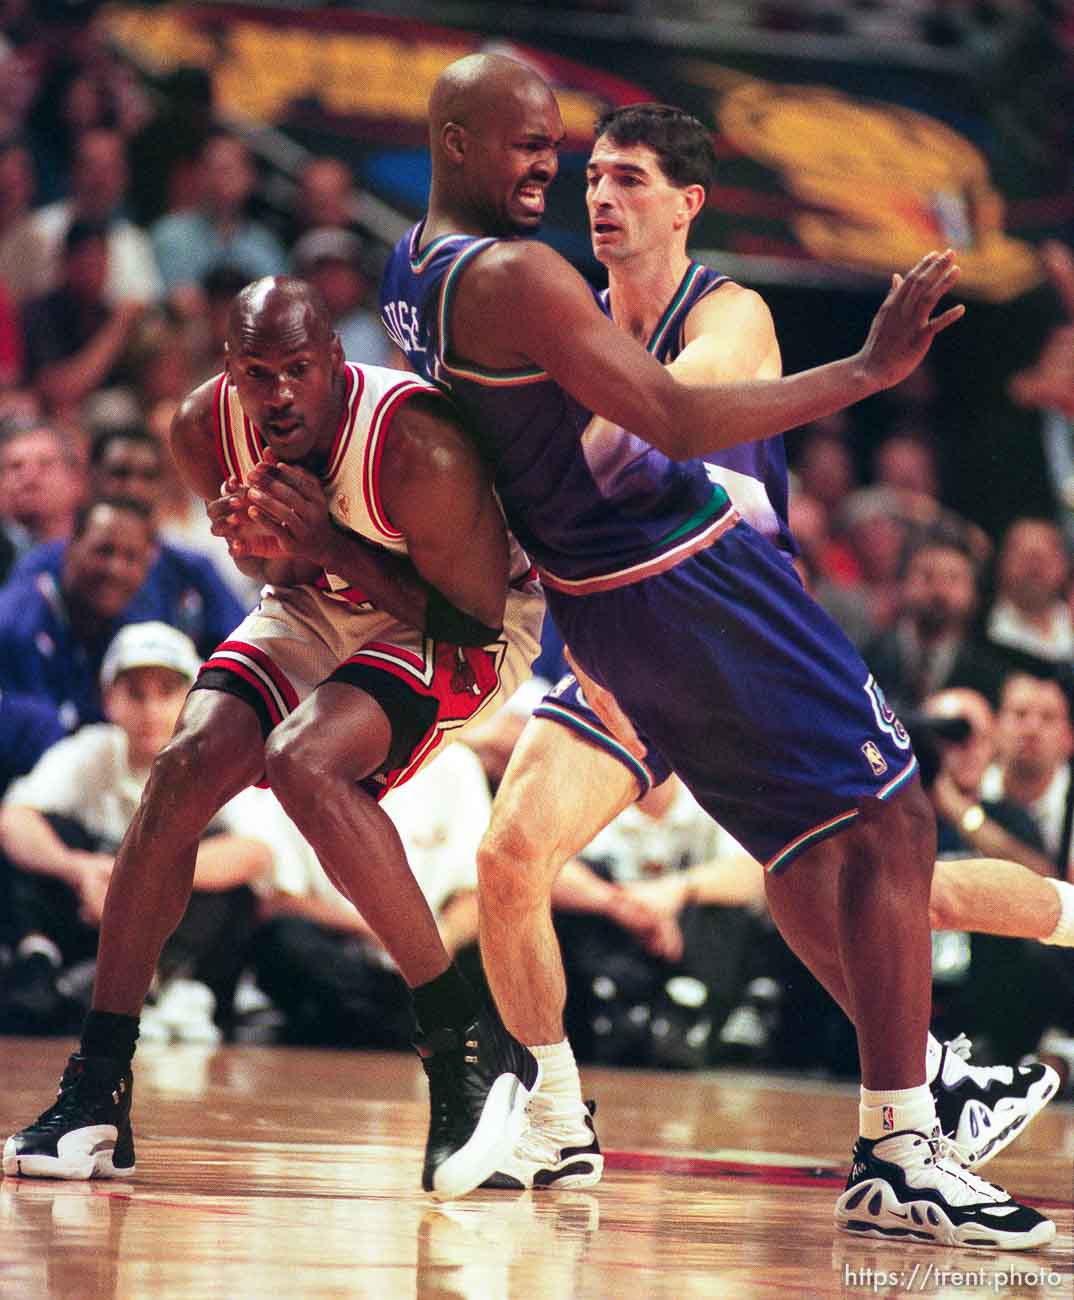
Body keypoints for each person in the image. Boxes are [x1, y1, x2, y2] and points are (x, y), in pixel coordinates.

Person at [380, 60, 1053, 1247]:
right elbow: (636, 441)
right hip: (657, 617)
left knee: (844, 872)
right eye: (588, 174)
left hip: (696, 612)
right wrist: (865, 374)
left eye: (624, 178)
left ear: (687, 202)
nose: (595, 194)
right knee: (524, 854)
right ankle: (573, 1109)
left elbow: (645, 437)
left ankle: (938, 1067)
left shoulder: (727, 311)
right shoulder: (552, 301)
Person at [3, 277, 544, 1199]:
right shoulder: (201, 428)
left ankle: (467, 1038)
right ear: (232, 372)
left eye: (299, 370)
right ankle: (99, 1083)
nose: (281, 393)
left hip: (454, 624)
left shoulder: (416, 447)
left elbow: (470, 615)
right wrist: (267, 545)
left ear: (335, 363)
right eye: (261, 374)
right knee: (178, 773)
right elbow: (274, 570)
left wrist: (328, 550)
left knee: (304, 760)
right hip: (315, 600)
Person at [0, 622, 272, 1036]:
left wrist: (132, 877)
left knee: (230, 882)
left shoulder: (215, 759)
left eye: (166, 692)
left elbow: (255, 851)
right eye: (136, 693)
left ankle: (168, 982)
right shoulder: (91, 750)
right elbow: (13, 819)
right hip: (91, 911)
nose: (150, 710)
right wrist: (79, 869)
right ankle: (41, 960)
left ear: (195, 699)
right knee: (47, 833)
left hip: (164, 920)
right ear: (108, 699)